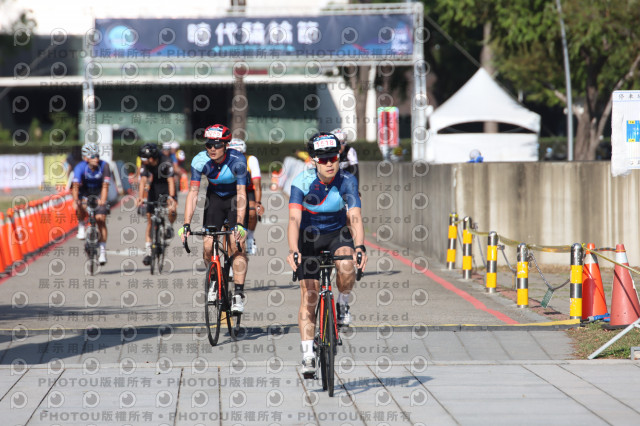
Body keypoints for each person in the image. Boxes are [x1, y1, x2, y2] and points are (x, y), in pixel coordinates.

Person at [286, 132, 368, 378]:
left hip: (336, 233)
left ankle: (342, 302)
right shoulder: (302, 181)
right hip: (308, 237)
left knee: (347, 265)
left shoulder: (347, 180)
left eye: (333, 158)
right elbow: (294, 219)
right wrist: (293, 250)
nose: (330, 163)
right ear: (314, 160)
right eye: (323, 160)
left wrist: (360, 247)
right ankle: (308, 354)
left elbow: (354, 216)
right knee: (309, 297)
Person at [180, 124, 249, 313]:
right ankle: (213, 280)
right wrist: (186, 224)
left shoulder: (237, 160)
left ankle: (238, 294)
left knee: (237, 244)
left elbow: (242, 193)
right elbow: (193, 193)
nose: (212, 149)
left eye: (217, 145)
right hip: (215, 199)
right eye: (208, 145)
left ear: (226, 145)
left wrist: (240, 224)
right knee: (208, 245)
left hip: (235, 198)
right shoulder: (200, 160)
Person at [137, 143, 178, 266]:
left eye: (145, 158)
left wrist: (171, 198)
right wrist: (140, 197)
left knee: (172, 210)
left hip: (167, 188)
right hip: (154, 189)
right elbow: (143, 180)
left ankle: (169, 225)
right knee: (150, 220)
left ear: (152, 158)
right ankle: (148, 252)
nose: (143, 161)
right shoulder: (146, 164)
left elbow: (171, 181)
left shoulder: (166, 162)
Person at [72, 142, 111, 265]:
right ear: (86, 158)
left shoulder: (104, 166)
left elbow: (105, 186)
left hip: (99, 193)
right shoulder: (80, 167)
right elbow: (75, 186)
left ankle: (102, 251)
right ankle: (81, 225)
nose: (96, 159)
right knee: (79, 205)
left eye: (97, 156)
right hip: (85, 193)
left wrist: (102, 201)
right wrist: (76, 200)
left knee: (101, 219)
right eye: (93, 156)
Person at [228, 138, 264, 255]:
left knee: (252, 212)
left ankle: (250, 236)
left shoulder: (251, 160)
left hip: (247, 190)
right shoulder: (224, 160)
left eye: (239, 154)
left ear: (244, 153)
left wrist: (258, 202)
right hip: (231, 191)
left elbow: (257, 184)